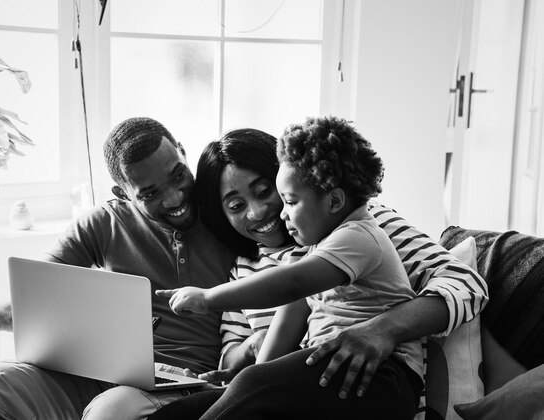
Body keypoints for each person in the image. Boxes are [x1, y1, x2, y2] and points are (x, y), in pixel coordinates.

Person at [150, 120, 488, 419]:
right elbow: (264, 338)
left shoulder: (363, 226)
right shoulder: (248, 267)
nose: (259, 212)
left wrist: (384, 329)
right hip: (304, 389)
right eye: (236, 206)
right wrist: (250, 355)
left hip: (375, 383)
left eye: (269, 192)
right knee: (182, 411)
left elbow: (466, 284)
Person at [0, 117, 237, 419]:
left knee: (109, 412)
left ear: (182, 152)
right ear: (123, 193)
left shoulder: (229, 213)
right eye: (150, 193)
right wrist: (91, 326)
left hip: (178, 384)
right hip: (95, 374)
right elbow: (0, 314)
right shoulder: (105, 222)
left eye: (178, 175)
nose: (175, 197)